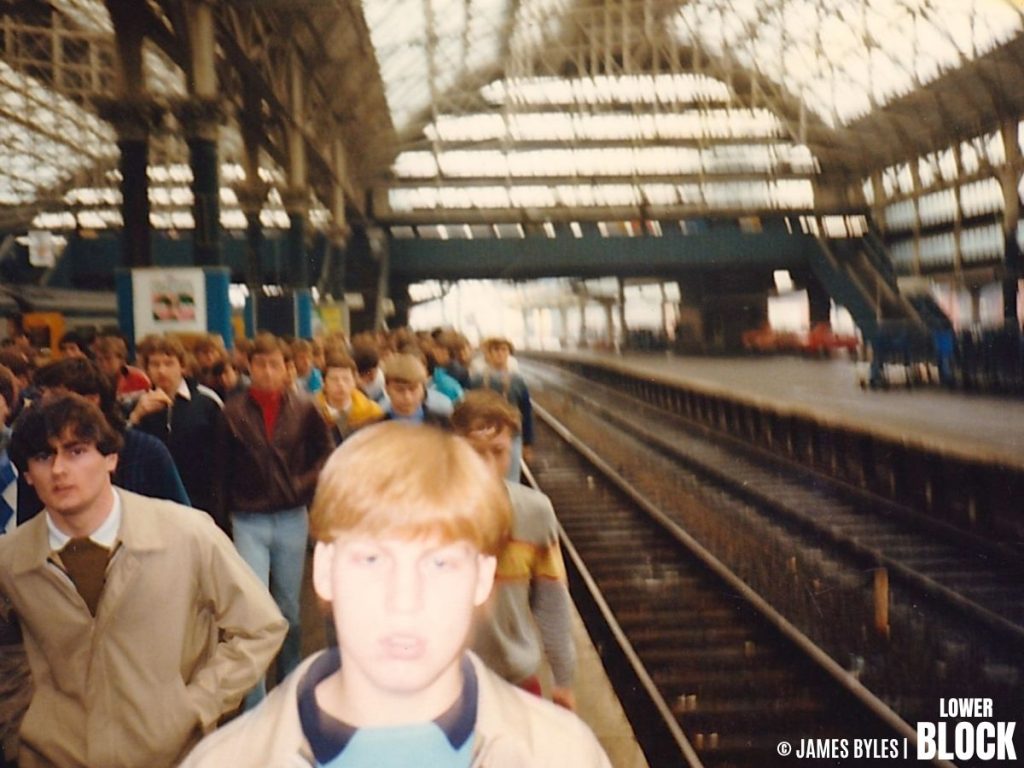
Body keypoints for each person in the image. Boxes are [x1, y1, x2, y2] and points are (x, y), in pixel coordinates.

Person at [180, 422, 611, 767]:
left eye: (440, 564)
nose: (404, 601)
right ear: (325, 570)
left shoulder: (567, 755)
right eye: (371, 560)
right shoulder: (222, 761)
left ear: (482, 580)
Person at [0, 393, 287, 768]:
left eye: (76, 451)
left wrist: (195, 705)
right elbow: (7, 649)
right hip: (54, 754)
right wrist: (18, 722)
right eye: (43, 457)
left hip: (170, 754)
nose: (58, 469)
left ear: (111, 459)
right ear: (26, 473)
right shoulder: (12, 559)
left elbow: (261, 627)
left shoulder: (186, 534)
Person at [222, 333, 333, 705]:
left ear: (288, 369)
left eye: (274, 364)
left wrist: (300, 484)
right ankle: (255, 701)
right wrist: (223, 518)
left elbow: (326, 455)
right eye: (259, 364)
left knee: (289, 609)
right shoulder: (232, 412)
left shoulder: (305, 408)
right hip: (248, 519)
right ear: (248, 367)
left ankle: (289, 686)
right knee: (253, 612)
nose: (266, 372)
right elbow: (219, 470)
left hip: (291, 518)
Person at [452, 390, 577, 709]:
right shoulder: (429, 513)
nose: (488, 464)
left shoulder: (535, 512)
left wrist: (563, 678)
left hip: (516, 678)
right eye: (475, 452)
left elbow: (551, 601)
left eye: (498, 451)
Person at [19, 358, 190, 522]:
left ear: (92, 400)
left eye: (56, 399)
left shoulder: (146, 451)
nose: (44, 407)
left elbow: (183, 518)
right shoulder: (37, 454)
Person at [129, 335, 226, 525]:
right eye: (155, 364)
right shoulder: (135, 403)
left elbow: (223, 455)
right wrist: (136, 416)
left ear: (182, 367)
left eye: (169, 363)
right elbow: (120, 447)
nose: (162, 370)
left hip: (199, 501)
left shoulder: (206, 401)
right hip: (152, 504)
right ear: (146, 368)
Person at [470, 337, 533, 482]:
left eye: (504, 349)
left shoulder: (517, 380)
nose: (500, 354)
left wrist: (528, 442)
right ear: (488, 354)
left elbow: (526, 410)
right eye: (495, 350)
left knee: (511, 476)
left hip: (512, 433)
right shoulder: (478, 379)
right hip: (483, 433)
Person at [314, 351, 383, 444]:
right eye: (334, 379)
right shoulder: (312, 413)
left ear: (354, 382)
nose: (340, 384)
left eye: (346, 379)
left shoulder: (372, 413)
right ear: (324, 383)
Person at [381, 353, 450, 428]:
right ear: (386, 389)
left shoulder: (443, 425)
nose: (407, 397)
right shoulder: (375, 429)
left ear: (423, 388)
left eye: (413, 389)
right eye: (399, 390)